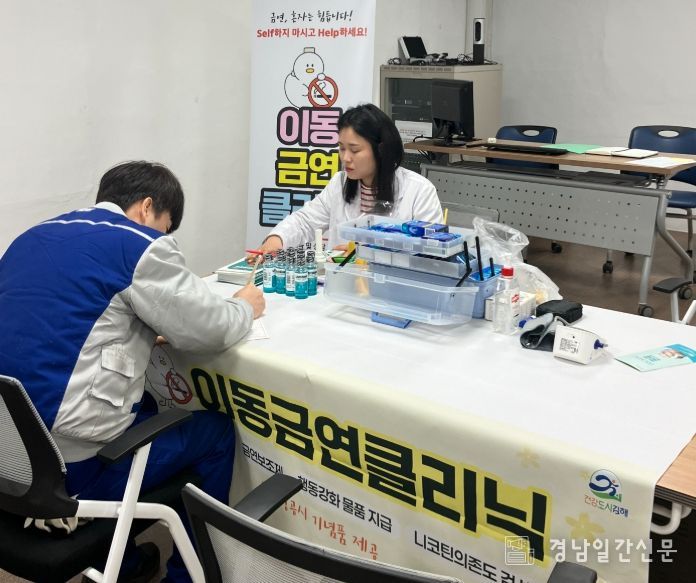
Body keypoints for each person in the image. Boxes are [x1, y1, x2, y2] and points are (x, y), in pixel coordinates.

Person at [0, 161, 265, 582]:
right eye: (166, 226)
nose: (163, 236)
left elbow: (68, 324)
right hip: (68, 473)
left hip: (11, 458)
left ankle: (124, 566)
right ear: (146, 207)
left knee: (146, 406)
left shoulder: (33, 237)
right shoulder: (139, 245)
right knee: (214, 433)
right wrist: (245, 307)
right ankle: (188, 575)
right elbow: (211, 329)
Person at [250, 103, 442, 258]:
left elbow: (431, 251)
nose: (346, 158)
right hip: (340, 284)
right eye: (342, 148)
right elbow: (305, 221)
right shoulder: (339, 183)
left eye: (355, 150)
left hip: (392, 289)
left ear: (381, 149)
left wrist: (367, 253)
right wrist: (277, 239)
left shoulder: (419, 191)